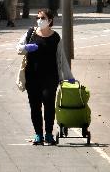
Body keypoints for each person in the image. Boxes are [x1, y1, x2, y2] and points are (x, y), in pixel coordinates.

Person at [16, 8, 73, 145]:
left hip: (50, 77)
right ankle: (38, 135)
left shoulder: (55, 38)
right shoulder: (30, 33)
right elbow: (18, 48)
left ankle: (48, 134)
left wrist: (69, 76)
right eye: (38, 18)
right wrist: (26, 48)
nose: (39, 20)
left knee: (48, 105)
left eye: (42, 18)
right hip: (32, 76)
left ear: (50, 21)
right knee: (35, 106)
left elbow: (61, 58)